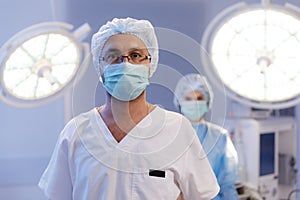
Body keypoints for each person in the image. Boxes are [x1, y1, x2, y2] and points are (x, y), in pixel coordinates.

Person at [38, 17, 220, 200]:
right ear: (100, 66)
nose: (125, 64)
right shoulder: (75, 133)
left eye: (135, 55)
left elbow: (202, 195)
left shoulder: (177, 129)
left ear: (150, 64)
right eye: (113, 56)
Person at [173, 73, 239, 200]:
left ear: (208, 101)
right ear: (179, 101)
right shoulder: (169, 135)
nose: (194, 103)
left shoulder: (220, 137)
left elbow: (227, 185)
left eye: (199, 98)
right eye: (188, 98)